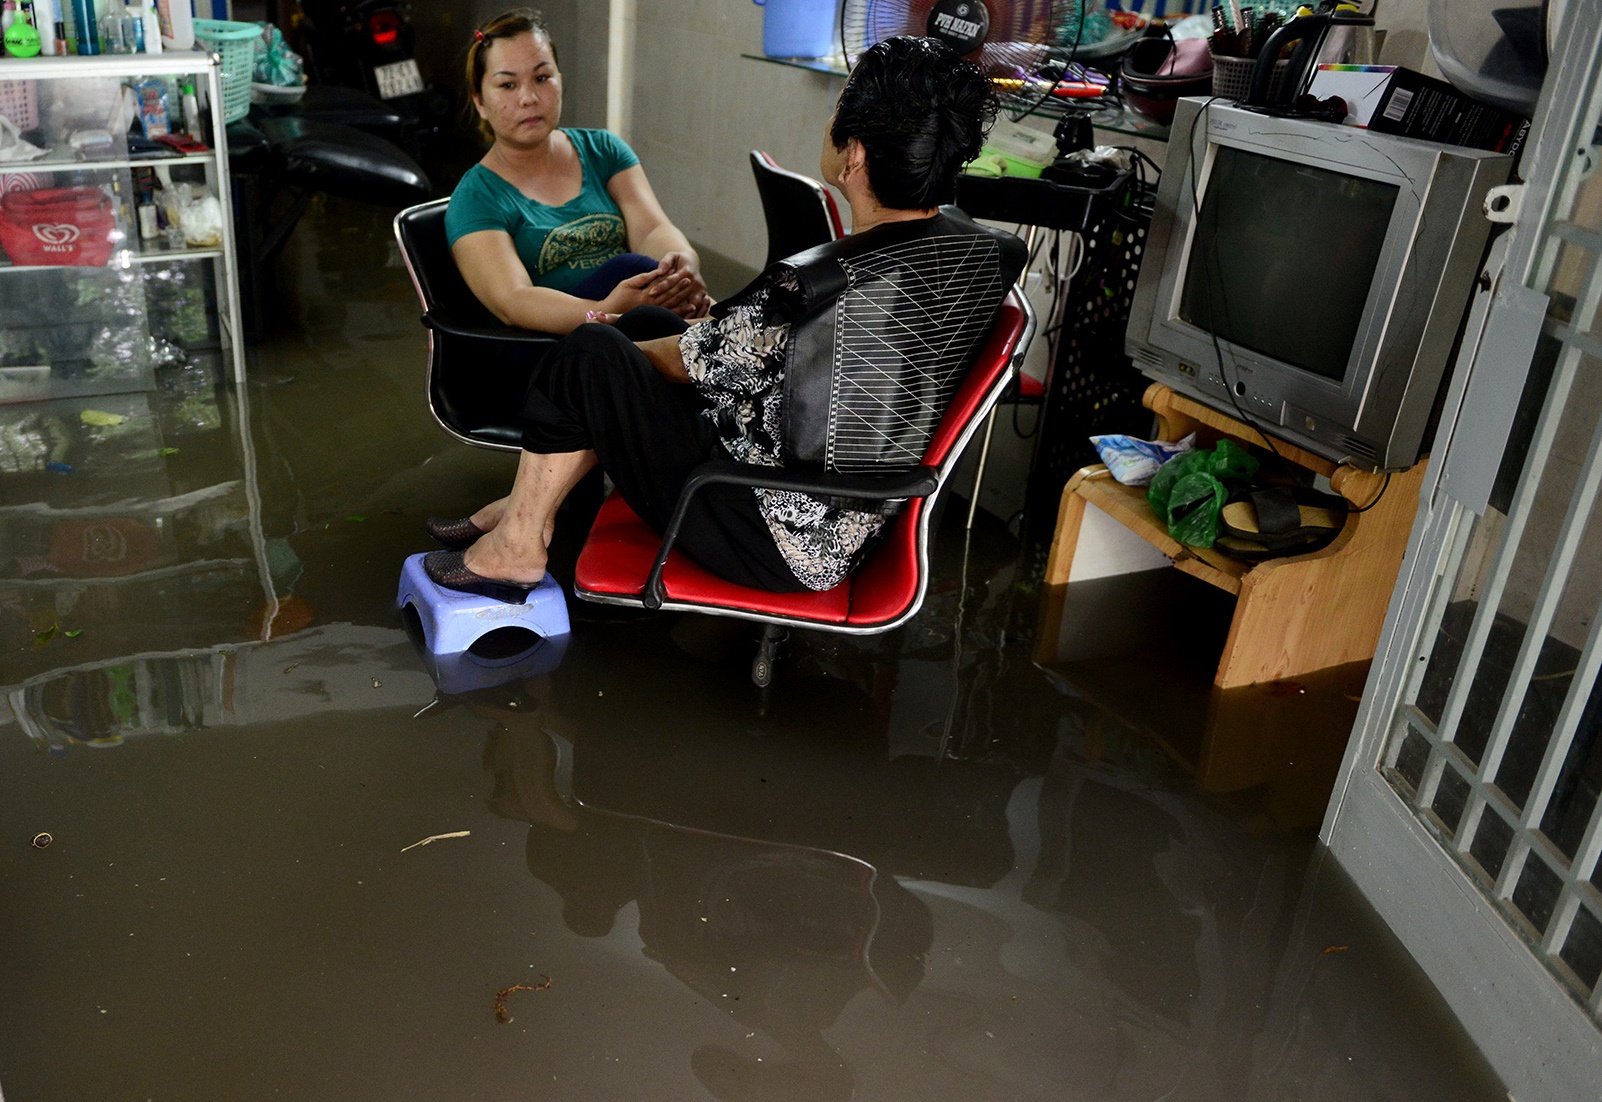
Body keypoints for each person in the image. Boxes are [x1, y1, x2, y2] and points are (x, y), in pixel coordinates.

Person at [423, 35, 1026, 597]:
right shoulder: (975, 249)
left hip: (772, 530)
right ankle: (531, 505)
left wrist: (612, 348)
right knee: (629, 335)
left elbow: (687, 363)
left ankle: (519, 543)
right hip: (846, 511)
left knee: (590, 353)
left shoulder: (816, 286)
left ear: (855, 158)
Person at [447, 8, 709, 335]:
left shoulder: (603, 150)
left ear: (559, 81)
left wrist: (682, 262)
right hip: (545, 349)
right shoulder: (476, 198)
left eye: (542, 78)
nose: (528, 98)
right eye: (508, 85)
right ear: (480, 102)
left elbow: (652, 230)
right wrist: (605, 310)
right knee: (634, 270)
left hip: (628, 332)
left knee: (672, 284)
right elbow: (514, 301)